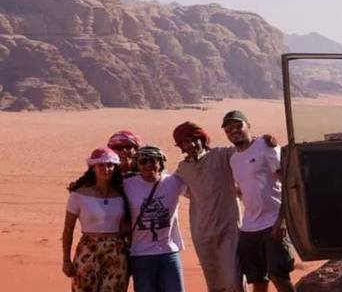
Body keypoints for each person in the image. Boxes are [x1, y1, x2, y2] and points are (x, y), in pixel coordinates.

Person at [222, 110, 295, 292]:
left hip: (273, 224)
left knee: (279, 275)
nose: (234, 131)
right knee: (257, 279)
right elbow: (244, 189)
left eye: (238, 126)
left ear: (248, 126)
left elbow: (288, 182)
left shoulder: (264, 145)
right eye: (229, 128)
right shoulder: (234, 159)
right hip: (249, 227)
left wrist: (283, 219)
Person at [172, 121, 242, 292]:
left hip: (229, 230)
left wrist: (266, 141)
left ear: (201, 139)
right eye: (184, 143)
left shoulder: (221, 155)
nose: (189, 145)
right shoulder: (182, 169)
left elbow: (246, 151)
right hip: (202, 233)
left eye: (192, 140)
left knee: (234, 281)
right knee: (214, 284)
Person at [62, 147, 129, 292]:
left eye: (110, 165)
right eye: (101, 165)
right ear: (93, 167)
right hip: (88, 249)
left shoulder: (121, 195)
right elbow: (68, 230)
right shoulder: (78, 195)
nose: (106, 169)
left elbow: (126, 227)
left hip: (116, 251)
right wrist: (66, 260)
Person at [124, 145, 187, 292]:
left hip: (169, 251)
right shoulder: (127, 184)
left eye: (153, 160)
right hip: (140, 253)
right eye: (143, 161)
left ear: (160, 162)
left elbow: (199, 189)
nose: (148, 165)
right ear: (137, 165)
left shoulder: (174, 181)